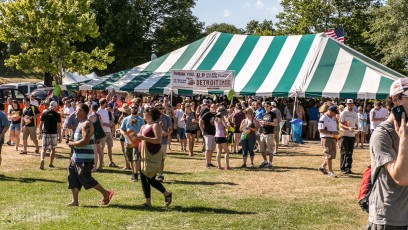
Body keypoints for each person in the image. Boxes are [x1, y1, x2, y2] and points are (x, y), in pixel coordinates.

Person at [367, 78, 408, 229]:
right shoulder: (381, 135)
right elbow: (401, 177)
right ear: (395, 99)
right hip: (389, 219)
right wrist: (404, 138)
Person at [66, 103, 113, 206]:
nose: (75, 112)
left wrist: (73, 143)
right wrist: (72, 142)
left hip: (85, 158)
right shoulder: (79, 123)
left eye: (78, 110)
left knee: (84, 176)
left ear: (83, 112)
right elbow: (79, 139)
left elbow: (85, 141)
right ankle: (75, 201)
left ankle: (106, 193)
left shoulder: (87, 124)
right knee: (72, 177)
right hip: (76, 156)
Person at [137, 107, 172, 207]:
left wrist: (144, 138)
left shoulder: (155, 125)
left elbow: (158, 140)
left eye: (145, 112)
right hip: (142, 153)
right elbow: (140, 139)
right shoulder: (143, 126)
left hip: (152, 153)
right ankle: (148, 202)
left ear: (150, 114)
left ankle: (167, 194)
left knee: (150, 179)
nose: (143, 114)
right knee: (143, 178)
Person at [120, 103, 144, 182]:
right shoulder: (126, 119)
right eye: (133, 107)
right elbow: (122, 129)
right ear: (130, 108)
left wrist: (138, 137)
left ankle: (136, 174)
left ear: (138, 109)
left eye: (135, 108)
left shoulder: (141, 120)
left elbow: (143, 130)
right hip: (127, 141)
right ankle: (133, 173)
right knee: (129, 158)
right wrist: (124, 134)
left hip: (136, 141)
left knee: (135, 158)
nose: (134, 109)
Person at [39, 101, 62, 169]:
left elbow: (40, 125)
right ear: (55, 106)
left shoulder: (45, 113)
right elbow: (58, 126)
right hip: (54, 133)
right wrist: (60, 136)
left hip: (46, 133)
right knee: (53, 149)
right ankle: (50, 163)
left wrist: (40, 133)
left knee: (44, 148)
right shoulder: (57, 115)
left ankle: (42, 159)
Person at [318, 106, 339, 178]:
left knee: (332, 155)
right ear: (330, 111)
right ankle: (330, 171)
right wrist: (331, 133)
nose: (335, 114)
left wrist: (336, 132)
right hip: (326, 138)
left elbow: (333, 127)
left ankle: (322, 167)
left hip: (333, 138)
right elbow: (320, 129)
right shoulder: (323, 118)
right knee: (328, 155)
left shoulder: (333, 118)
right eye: (334, 113)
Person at [338, 99, 358, 174]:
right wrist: (348, 128)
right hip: (344, 135)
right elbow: (340, 124)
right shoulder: (344, 113)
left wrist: (355, 129)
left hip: (352, 135)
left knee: (350, 152)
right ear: (346, 104)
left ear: (353, 105)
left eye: (351, 104)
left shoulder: (355, 114)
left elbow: (356, 124)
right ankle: (342, 168)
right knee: (344, 152)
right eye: (349, 104)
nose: (350, 105)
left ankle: (348, 168)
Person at [97, 98, 117, 167]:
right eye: (106, 103)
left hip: (108, 131)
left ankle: (111, 162)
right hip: (103, 132)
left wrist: (111, 123)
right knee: (101, 148)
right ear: (104, 103)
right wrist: (108, 125)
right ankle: (101, 162)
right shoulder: (98, 112)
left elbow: (107, 120)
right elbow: (100, 123)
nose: (107, 104)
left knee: (110, 147)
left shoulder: (106, 111)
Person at [259, 101, 278, 168]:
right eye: (264, 106)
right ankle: (265, 161)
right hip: (263, 133)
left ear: (270, 107)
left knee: (270, 150)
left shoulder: (272, 114)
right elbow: (262, 122)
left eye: (267, 106)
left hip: (269, 134)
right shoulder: (263, 114)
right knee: (261, 150)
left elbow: (276, 124)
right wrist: (261, 122)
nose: (266, 107)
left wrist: (267, 123)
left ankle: (270, 163)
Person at [199, 103, 217, 168]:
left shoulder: (217, 115)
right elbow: (200, 121)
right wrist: (202, 130)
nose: (213, 108)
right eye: (212, 107)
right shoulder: (207, 114)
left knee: (212, 149)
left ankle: (210, 162)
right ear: (210, 108)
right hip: (207, 133)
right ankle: (207, 163)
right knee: (208, 149)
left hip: (215, 134)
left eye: (215, 107)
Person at [89, 104, 104, 171]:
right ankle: (100, 165)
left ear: (91, 108)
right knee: (100, 150)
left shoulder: (91, 116)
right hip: (98, 135)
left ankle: (94, 167)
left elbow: (88, 126)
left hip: (93, 135)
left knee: (95, 151)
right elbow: (101, 124)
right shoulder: (99, 116)